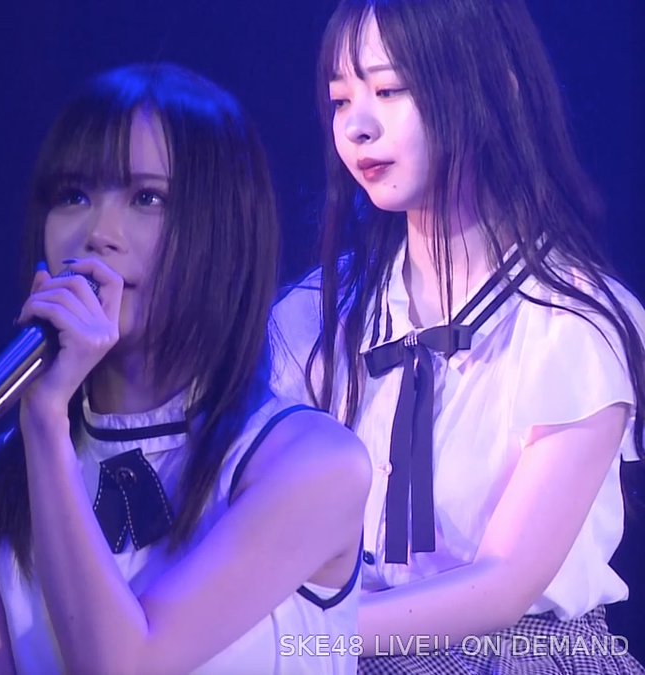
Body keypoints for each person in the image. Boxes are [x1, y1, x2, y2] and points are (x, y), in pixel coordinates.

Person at [0, 63, 370, 674]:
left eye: (147, 198)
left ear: (223, 231)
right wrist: (44, 424)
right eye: (73, 195)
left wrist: (47, 425)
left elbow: (127, 666)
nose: (98, 234)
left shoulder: (310, 462)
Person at [269, 1, 645, 672]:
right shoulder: (314, 316)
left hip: (522, 654)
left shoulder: (572, 326)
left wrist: (295, 639)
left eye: (389, 91)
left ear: (494, 87)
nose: (356, 126)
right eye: (340, 99)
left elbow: (502, 585)